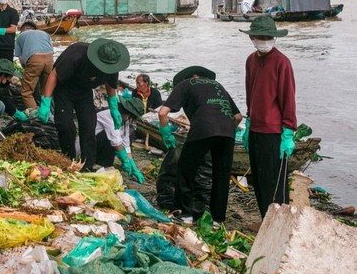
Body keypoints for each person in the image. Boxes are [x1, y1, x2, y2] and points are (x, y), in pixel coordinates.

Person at [158, 66, 242, 225]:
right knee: (221, 175)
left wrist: (165, 132)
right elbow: (237, 117)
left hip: (202, 130)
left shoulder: (185, 84)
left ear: (186, 78)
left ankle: (184, 214)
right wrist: (226, 131)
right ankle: (217, 219)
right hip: (227, 133)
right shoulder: (217, 86)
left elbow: (162, 113)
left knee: (186, 170)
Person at [38, 38, 130, 172]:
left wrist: (114, 107)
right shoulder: (76, 55)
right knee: (65, 125)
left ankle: (87, 165)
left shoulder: (111, 65)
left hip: (84, 91)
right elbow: (54, 75)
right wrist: (45, 102)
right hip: (64, 88)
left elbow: (110, 85)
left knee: (88, 126)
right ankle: (68, 159)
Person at [240, 16, 296, 218]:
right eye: (259, 36)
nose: (263, 40)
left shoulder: (282, 62)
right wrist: (248, 122)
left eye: (267, 36)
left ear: (274, 37)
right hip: (255, 130)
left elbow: (288, 99)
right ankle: (266, 220)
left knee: (276, 183)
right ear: (251, 38)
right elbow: (250, 94)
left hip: (274, 134)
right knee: (260, 181)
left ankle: (280, 223)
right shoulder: (250, 61)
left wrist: (288, 132)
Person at [77, 97, 145, 182]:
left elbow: (126, 144)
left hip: (98, 148)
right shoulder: (110, 115)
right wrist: (125, 161)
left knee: (122, 139)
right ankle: (94, 164)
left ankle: (103, 165)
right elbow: (116, 142)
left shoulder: (125, 121)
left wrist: (133, 166)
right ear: (128, 113)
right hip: (85, 148)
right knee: (110, 138)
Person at [14, 21, 54, 110]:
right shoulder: (45, 34)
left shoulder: (21, 36)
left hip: (34, 59)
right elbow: (51, 50)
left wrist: (29, 73)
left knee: (26, 92)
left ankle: (36, 116)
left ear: (22, 29)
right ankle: (46, 113)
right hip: (50, 59)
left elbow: (22, 61)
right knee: (45, 90)